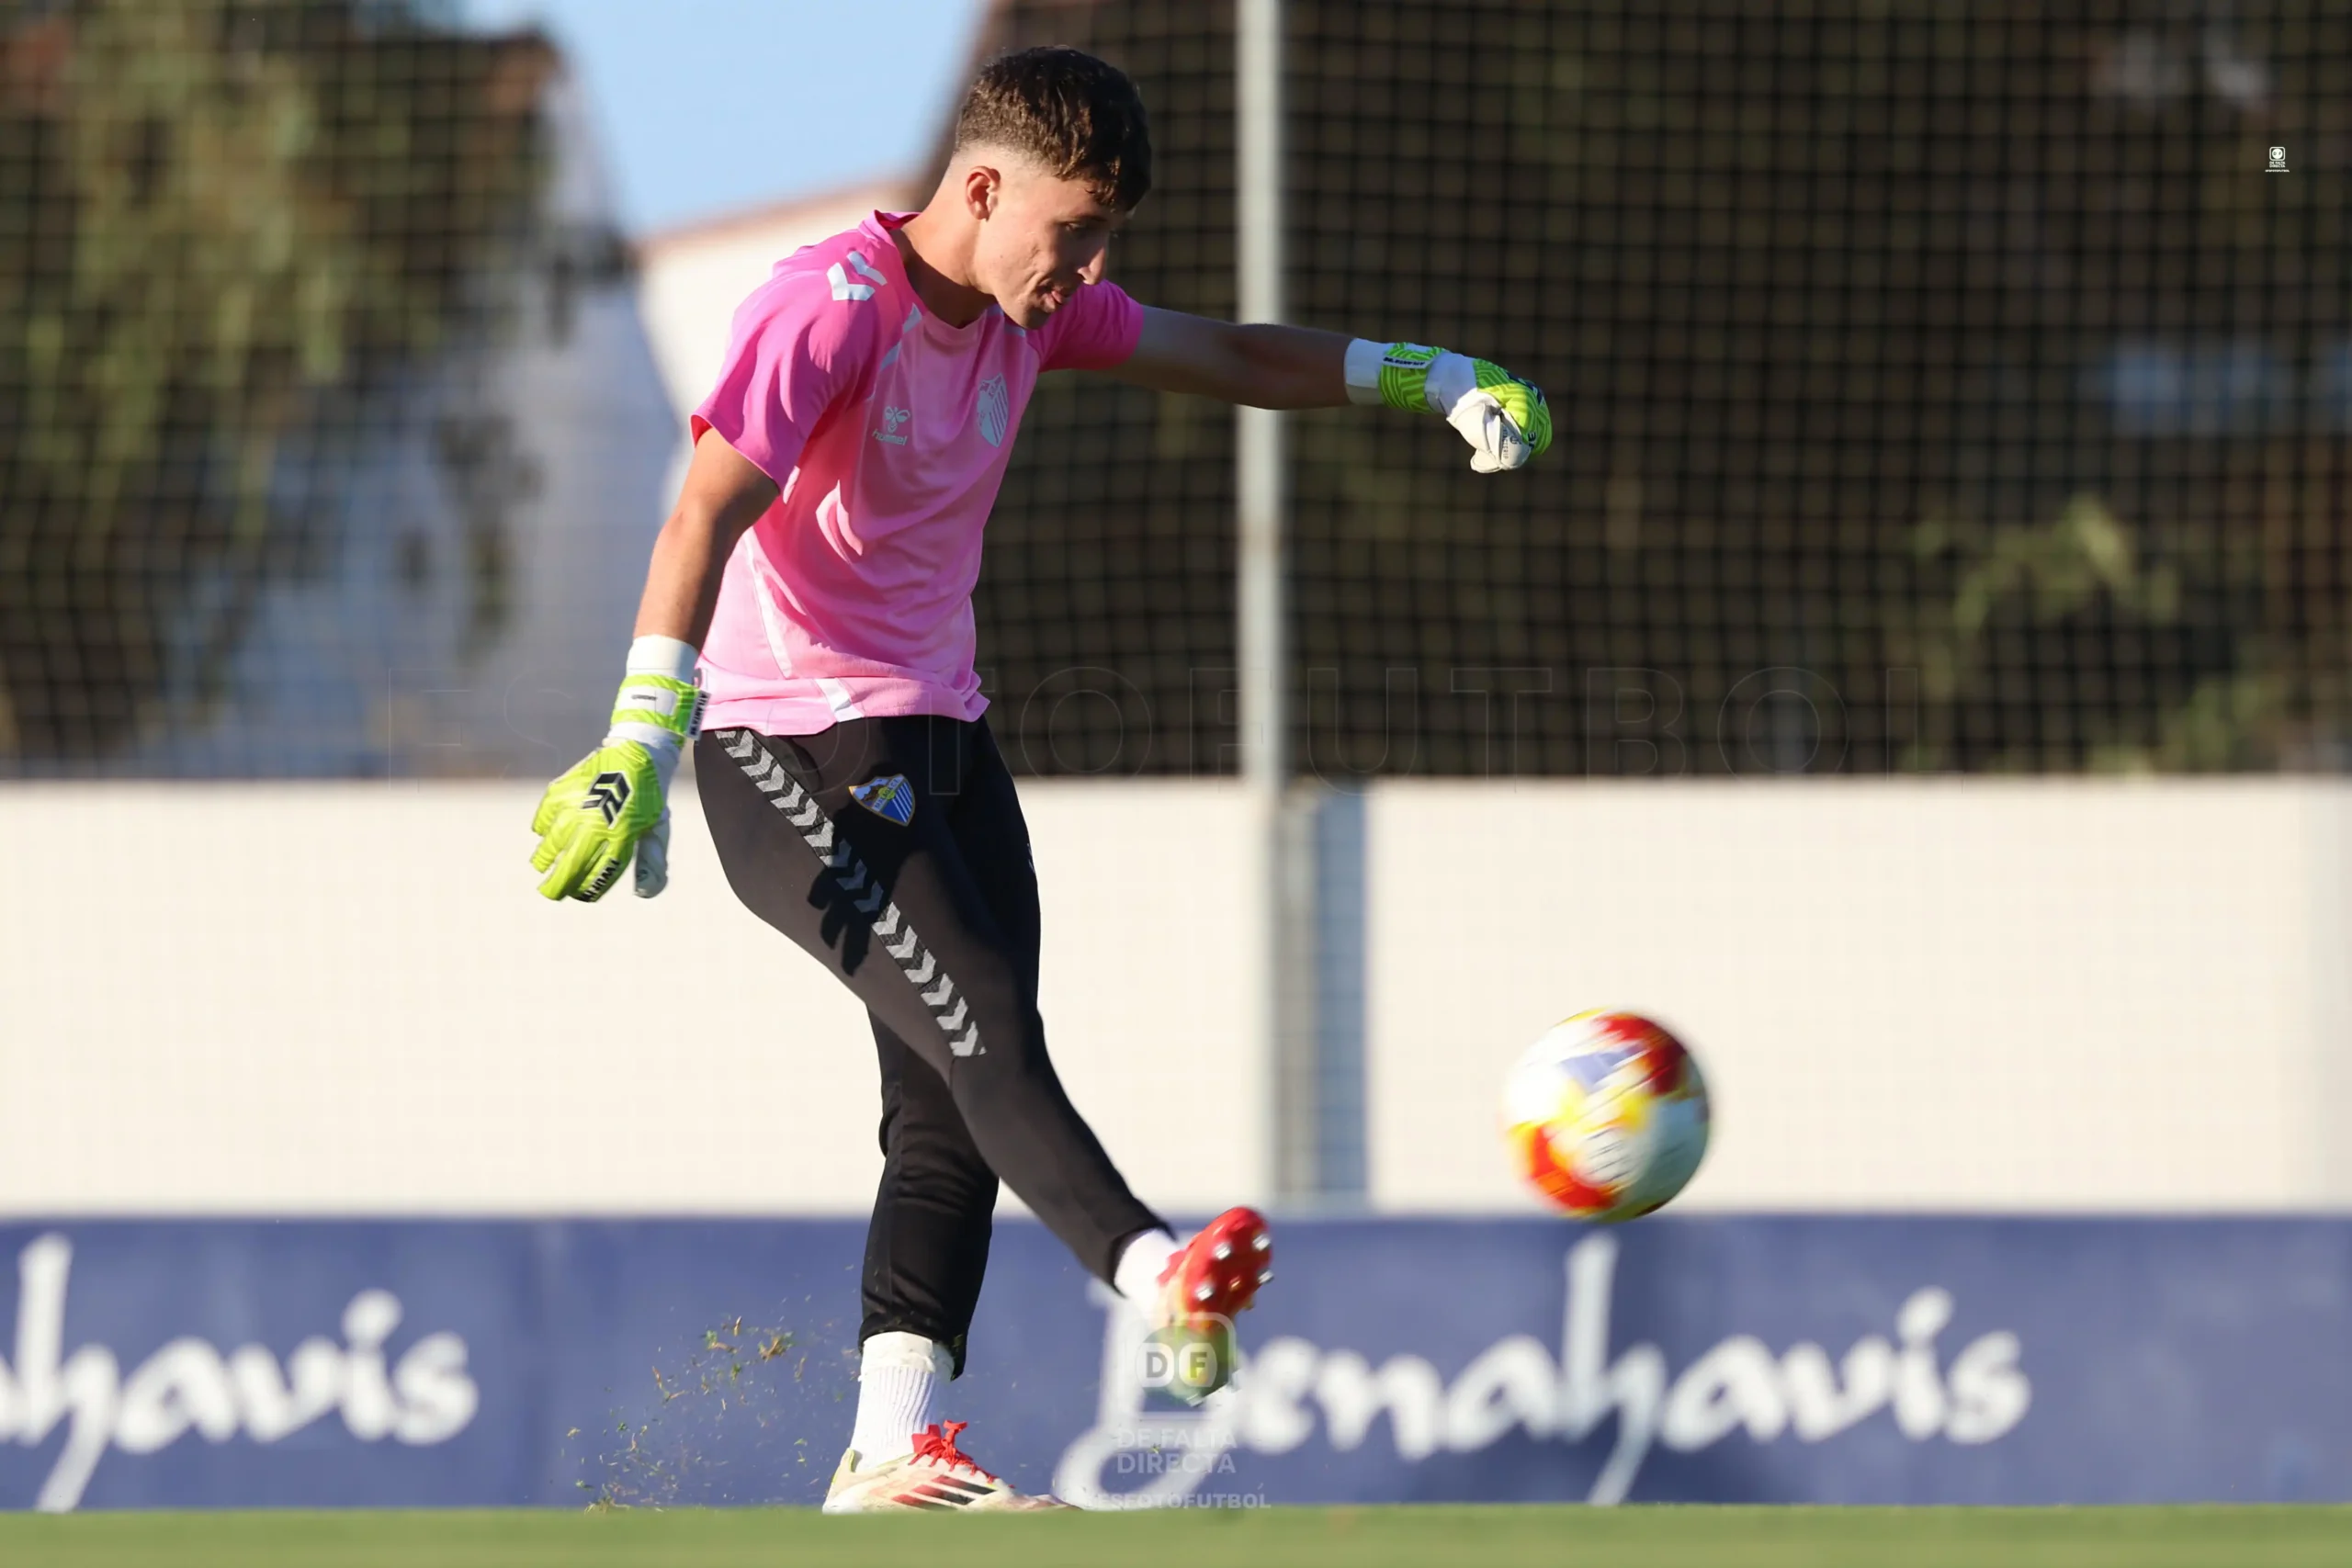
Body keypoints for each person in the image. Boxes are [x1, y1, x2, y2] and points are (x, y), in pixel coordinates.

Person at [526, 44, 1550, 1513]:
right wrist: (636, 739)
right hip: (782, 743)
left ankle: (888, 1448)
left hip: (946, 736)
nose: (1086, 267)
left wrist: (1431, 375)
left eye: (1104, 238)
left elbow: (1234, 353)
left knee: (948, 1101)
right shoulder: (830, 311)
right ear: (984, 184)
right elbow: (700, 511)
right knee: (985, 1024)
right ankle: (1155, 1269)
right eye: (1073, 229)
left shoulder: (1030, 317)